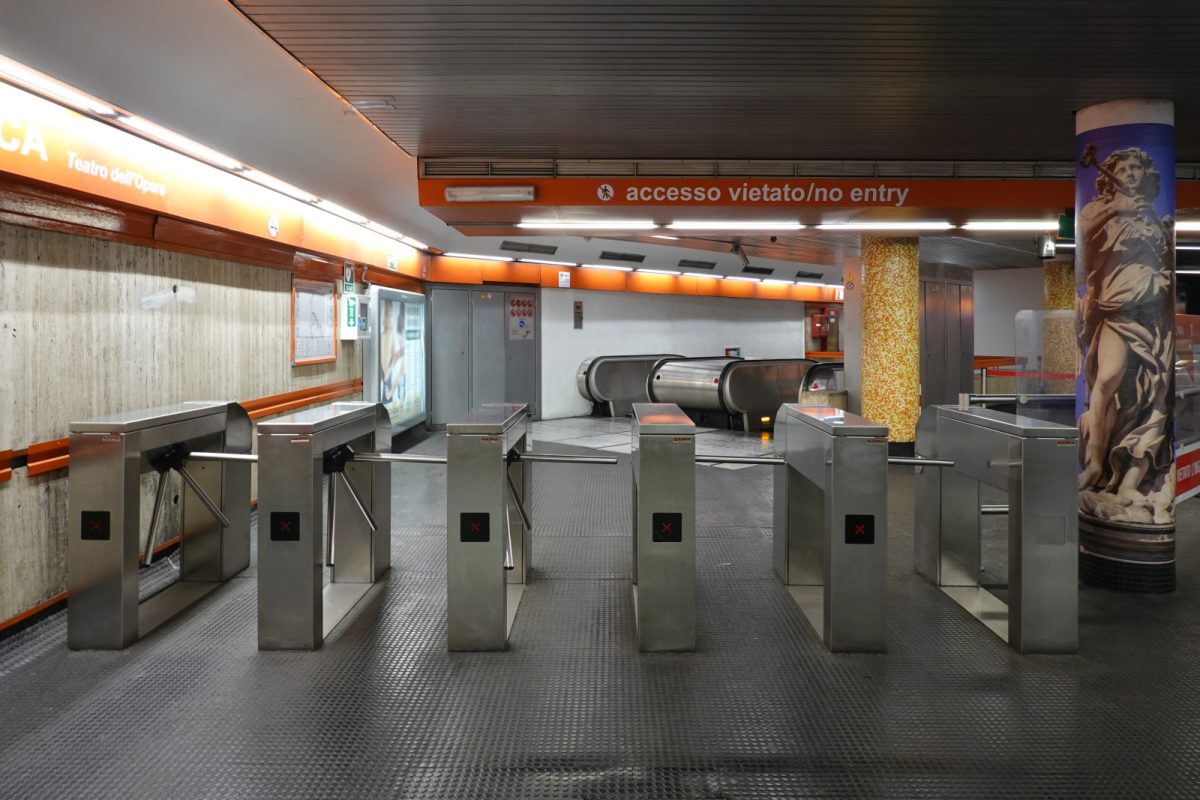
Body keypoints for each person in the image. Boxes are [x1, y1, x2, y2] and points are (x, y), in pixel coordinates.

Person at [1076, 146, 1175, 523]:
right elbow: (1084, 235)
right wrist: (1119, 209)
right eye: (1125, 167)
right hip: (1116, 314)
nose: (1132, 172)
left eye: (1137, 167)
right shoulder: (1098, 211)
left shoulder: (1152, 219)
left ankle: (1131, 474)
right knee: (1107, 382)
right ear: (1112, 173)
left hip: (1152, 319)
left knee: (1149, 396)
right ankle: (1095, 463)